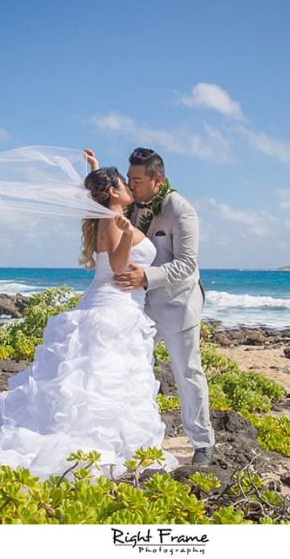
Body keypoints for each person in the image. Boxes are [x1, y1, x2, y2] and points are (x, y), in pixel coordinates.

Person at [0, 159, 180, 502]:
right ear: (114, 192)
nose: (130, 187)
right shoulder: (111, 219)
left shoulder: (105, 213)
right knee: (99, 381)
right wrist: (126, 233)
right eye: (124, 183)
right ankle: (93, 446)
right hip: (113, 309)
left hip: (113, 306)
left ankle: (104, 442)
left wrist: (95, 168)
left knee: (96, 380)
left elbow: (103, 195)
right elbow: (119, 267)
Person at [87, 147, 216, 465]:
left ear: (158, 180)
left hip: (177, 302)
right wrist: (96, 169)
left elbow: (187, 264)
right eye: (127, 179)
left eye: (137, 180)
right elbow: (108, 196)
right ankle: (128, 434)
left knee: (187, 371)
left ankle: (202, 441)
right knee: (131, 368)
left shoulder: (181, 210)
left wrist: (147, 275)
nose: (131, 185)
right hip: (137, 306)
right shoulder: (130, 203)